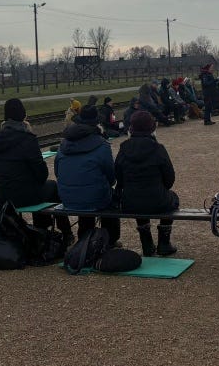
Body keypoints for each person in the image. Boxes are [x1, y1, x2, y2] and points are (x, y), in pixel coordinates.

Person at [0, 97, 73, 245]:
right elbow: (41, 174)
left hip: (0, 196)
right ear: (23, 115)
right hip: (22, 195)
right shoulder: (27, 139)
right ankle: (62, 232)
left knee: (37, 187)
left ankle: (42, 229)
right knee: (52, 187)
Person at [114, 110, 178, 256]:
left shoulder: (124, 149)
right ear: (152, 128)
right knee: (172, 198)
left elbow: (118, 176)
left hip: (130, 202)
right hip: (158, 201)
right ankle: (164, 242)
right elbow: (169, 180)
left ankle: (146, 243)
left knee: (138, 198)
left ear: (131, 128)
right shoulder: (158, 149)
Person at [55, 103, 120, 244]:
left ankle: (84, 237)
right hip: (95, 199)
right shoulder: (102, 145)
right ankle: (110, 239)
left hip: (67, 198)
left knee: (86, 192)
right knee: (109, 198)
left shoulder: (63, 145)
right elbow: (111, 176)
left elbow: (57, 172)